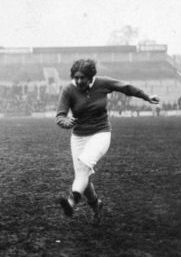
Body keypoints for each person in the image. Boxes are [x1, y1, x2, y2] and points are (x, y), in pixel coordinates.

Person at [55, 59, 160, 222]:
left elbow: (125, 87)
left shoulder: (103, 83)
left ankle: (71, 201)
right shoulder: (69, 89)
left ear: (91, 77)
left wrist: (146, 96)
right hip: (78, 137)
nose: (78, 81)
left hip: (101, 133)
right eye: (76, 77)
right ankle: (96, 204)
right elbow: (60, 116)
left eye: (82, 77)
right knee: (83, 176)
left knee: (83, 167)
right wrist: (66, 122)